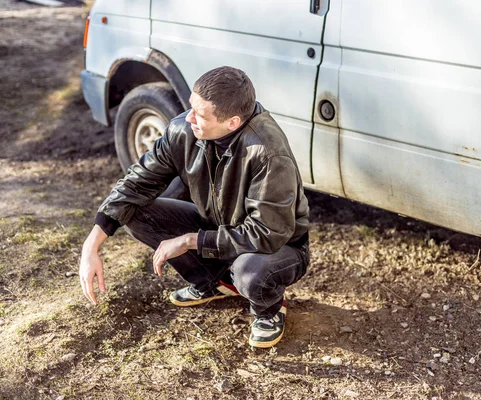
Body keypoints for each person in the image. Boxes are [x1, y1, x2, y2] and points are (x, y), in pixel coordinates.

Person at [79, 66, 310, 348]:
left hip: (278, 246)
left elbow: (267, 233)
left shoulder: (266, 152)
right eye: (191, 107)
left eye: (199, 114)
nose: (188, 117)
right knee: (136, 213)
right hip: (218, 226)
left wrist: (191, 240)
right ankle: (215, 282)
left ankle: (269, 310)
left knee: (250, 272)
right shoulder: (183, 129)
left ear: (232, 122)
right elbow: (137, 182)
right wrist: (91, 245)